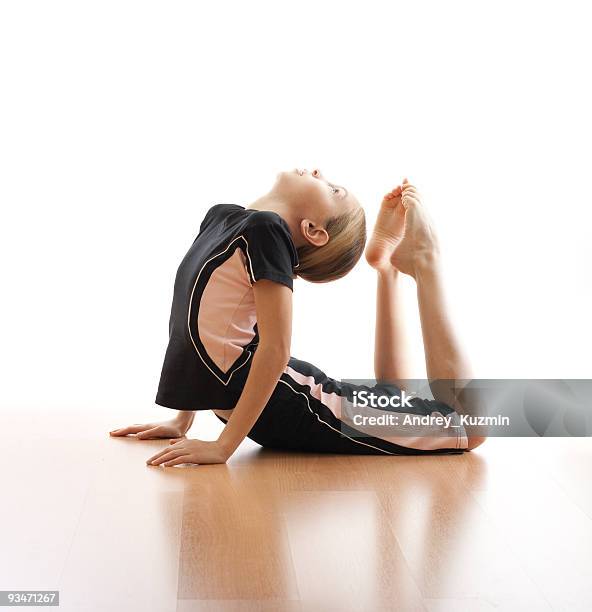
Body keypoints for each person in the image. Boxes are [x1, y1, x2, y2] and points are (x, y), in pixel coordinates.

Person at [110, 169, 486, 465]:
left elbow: (274, 350)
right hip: (275, 402)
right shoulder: (222, 218)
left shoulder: (268, 232)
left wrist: (224, 446)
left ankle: (425, 262)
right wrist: (182, 420)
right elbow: (193, 327)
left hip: (300, 402)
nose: (319, 172)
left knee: (469, 427)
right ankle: (386, 269)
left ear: (312, 230)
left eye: (333, 189)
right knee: (391, 399)